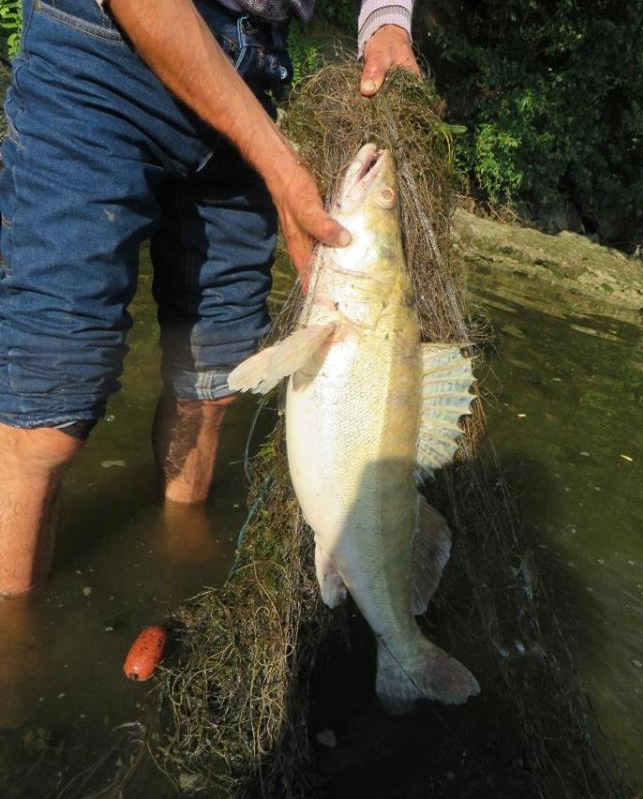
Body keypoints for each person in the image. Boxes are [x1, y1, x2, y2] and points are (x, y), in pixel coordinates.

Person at [0, 0, 420, 596]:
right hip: (101, 49)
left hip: (255, 69)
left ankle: (176, 565)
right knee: (49, 407)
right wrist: (278, 164)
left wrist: (386, 19)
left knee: (214, 381)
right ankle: (16, 654)